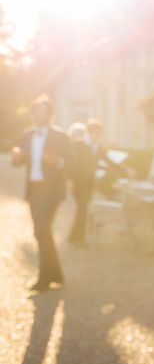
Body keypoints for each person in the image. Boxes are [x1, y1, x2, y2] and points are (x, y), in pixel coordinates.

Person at [11, 95, 72, 291]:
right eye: (37, 112)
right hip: (34, 189)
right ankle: (57, 275)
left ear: (50, 115)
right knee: (42, 232)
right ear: (32, 114)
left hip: (52, 190)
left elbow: (73, 161)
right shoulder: (27, 135)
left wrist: (58, 162)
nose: (40, 116)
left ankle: (44, 277)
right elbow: (17, 163)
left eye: (44, 113)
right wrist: (17, 157)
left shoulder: (60, 136)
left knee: (41, 231)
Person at [67, 118, 127, 245]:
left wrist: (126, 170)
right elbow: (71, 164)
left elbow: (108, 161)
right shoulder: (79, 145)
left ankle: (75, 237)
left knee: (83, 209)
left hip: (89, 183)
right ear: (90, 132)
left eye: (100, 133)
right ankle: (79, 239)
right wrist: (70, 180)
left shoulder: (98, 148)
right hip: (78, 183)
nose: (98, 136)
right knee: (82, 208)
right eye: (96, 133)